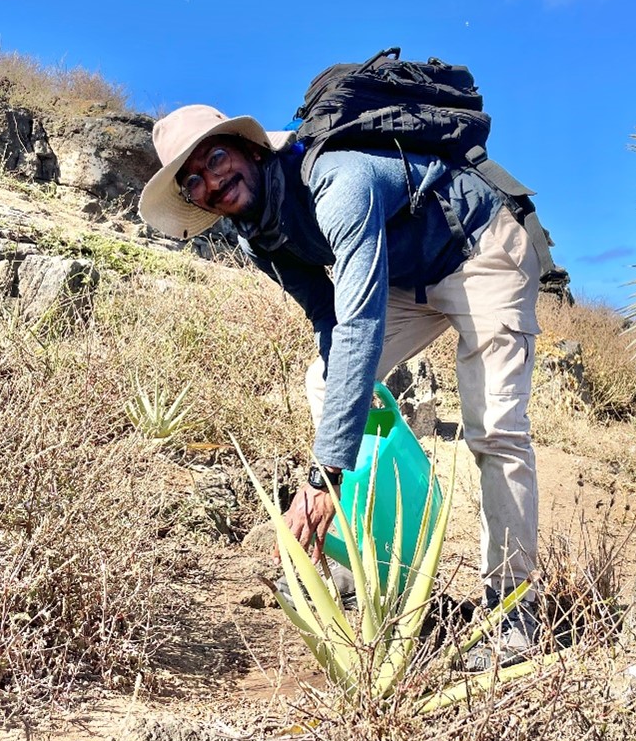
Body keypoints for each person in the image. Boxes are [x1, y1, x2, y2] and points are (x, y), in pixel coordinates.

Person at [139, 103, 543, 665]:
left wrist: (325, 473)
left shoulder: (338, 178)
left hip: (482, 246)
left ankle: (515, 609)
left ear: (251, 148)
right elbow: (330, 321)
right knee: (325, 382)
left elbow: (360, 322)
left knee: (495, 428)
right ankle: (359, 561)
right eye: (193, 180)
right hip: (412, 277)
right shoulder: (259, 237)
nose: (210, 180)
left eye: (215, 156)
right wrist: (345, 420)